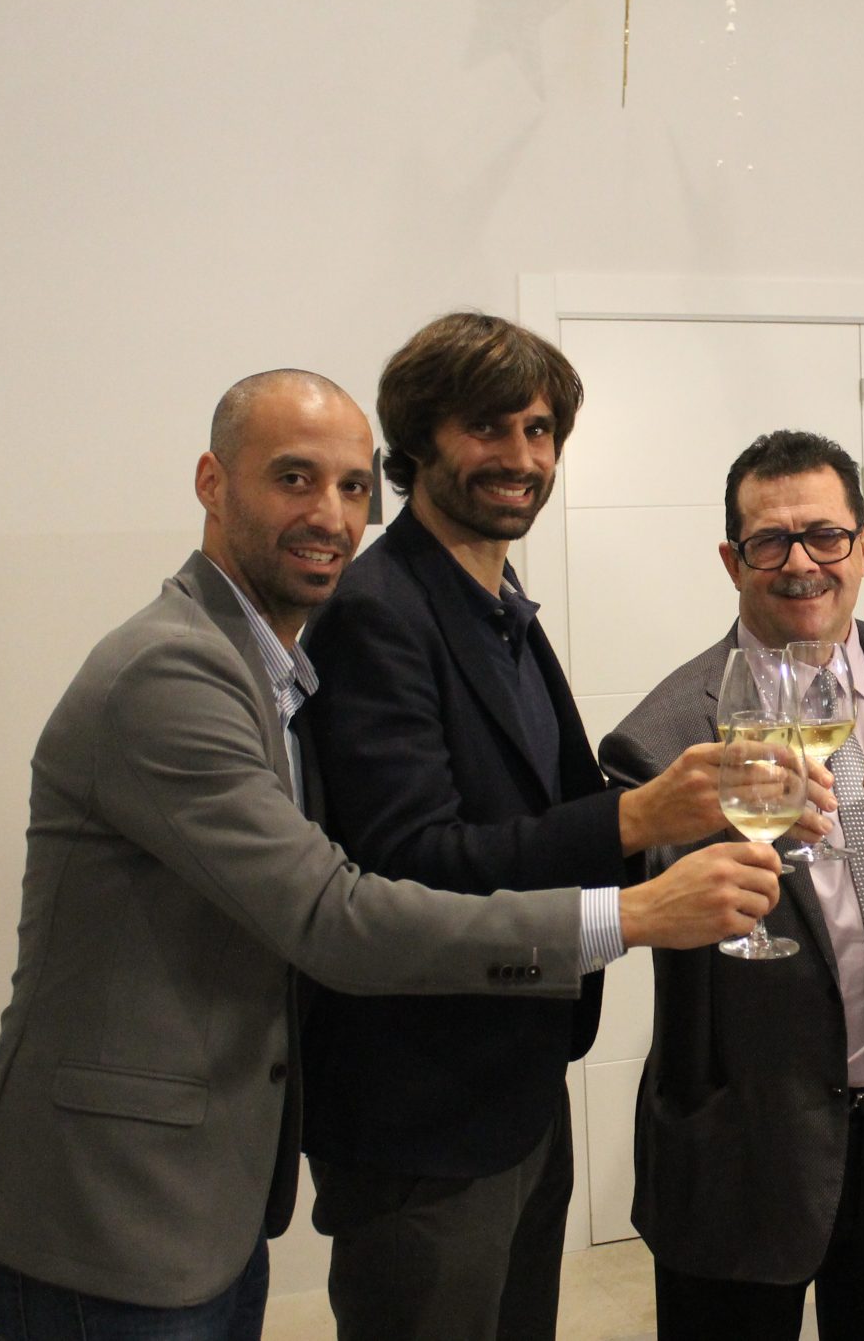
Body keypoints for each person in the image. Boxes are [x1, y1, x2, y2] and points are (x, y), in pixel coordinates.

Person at [0, 370, 779, 1341]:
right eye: (293, 479)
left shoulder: (278, 665)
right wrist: (629, 914)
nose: (331, 517)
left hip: (207, 1189)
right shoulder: (174, 669)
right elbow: (335, 915)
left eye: (348, 487)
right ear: (212, 482)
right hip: (104, 1209)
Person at [296, 313, 764, 1341]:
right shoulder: (378, 608)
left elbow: (540, 813)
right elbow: (407, 863)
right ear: (417, 441)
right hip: (422, 1104)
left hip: (517, 1073)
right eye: (488, 427)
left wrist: (680, 824)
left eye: (540, 429)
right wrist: (636, 816)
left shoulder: (498, 601)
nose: (521, 457)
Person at [598, 430, 864, 1341]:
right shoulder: (663, 733)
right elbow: (646, 905)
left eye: (824, 535)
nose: (801, 563)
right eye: (769, 541)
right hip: (747, 1137)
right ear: (730, 560)